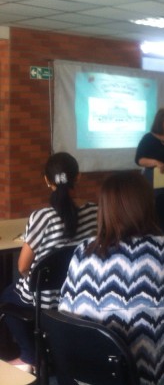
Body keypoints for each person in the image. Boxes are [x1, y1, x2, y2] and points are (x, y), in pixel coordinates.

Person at [59, 172, 164, 385]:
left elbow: (64, 307)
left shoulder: (82, 251)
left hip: (93, 373)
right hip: (160, 374)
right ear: (148, 206)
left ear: (103, 209)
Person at [0, 152, 98, 373]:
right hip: (77, 292)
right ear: (78, 177)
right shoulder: (94, 211)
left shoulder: (42, 217)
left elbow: (23, 267)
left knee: (6, 297)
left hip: (43, 299)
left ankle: (29, 356)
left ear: (47, 180)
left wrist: (34, 280)